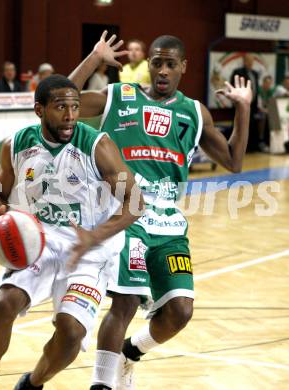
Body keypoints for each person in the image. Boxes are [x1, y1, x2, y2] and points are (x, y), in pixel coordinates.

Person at [69, 31, 252, 390]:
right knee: (125, 302)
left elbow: (233, 161)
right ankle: (101, 384)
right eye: (157, 63)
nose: (163, 70)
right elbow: (63, 98)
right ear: (148, 65)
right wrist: (93, 58)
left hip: (169, 224)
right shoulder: (121, 97)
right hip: (127, 216)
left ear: (183, 67)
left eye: (171, 64)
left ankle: (130, 353)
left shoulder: (193, 112)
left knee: (181, 311)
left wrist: (243, 107)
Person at [0, 74, 144, 390]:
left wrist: (95, 235)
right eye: (61, 107)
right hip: (39, 239)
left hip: (89, 250)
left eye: (75, 107)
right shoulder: (17, 144)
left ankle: (32, 384)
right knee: (4, 303)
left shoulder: (97, 145)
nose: (70, 116)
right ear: (40, 110)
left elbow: (135, 201)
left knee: (71, 331)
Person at [230, 53, 259, 151]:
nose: (251, 63)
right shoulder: (238, 72)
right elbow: (233, 88)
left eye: (252, 61)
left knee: (252, 126)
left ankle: (251, 147)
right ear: (244, 61)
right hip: (240, 105)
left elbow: (255, 89)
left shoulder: (255, 73)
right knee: (240, 127)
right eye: (248, 61)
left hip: (253, 106)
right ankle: (238, 149)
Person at [258, 75, 275, 151]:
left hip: (267, 111)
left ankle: (272, 141)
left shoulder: (270, 92)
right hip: (257, 111)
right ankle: (261, 141)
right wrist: (267, 111)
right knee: (263, 116)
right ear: (263, 82)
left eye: (270, 83)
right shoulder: (259, 91)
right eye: (267, 83)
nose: (269, 85)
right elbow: (259, 106)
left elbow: (271, 104)